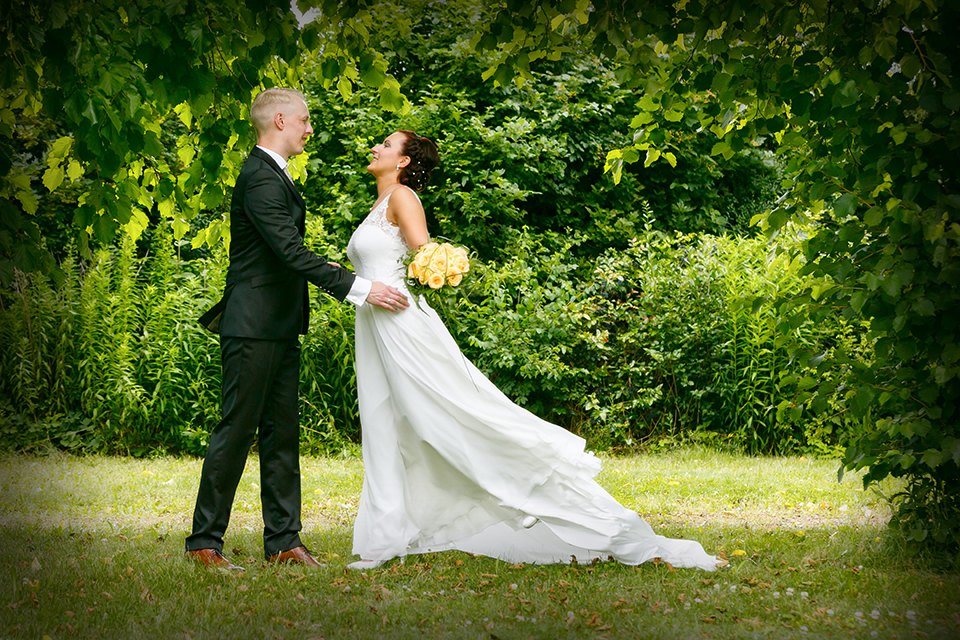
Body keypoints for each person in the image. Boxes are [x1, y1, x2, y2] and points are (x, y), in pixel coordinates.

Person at [344, 130, 723, 571]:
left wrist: (434, 266)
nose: (375, 148)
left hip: (400, 323)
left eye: (386, 145)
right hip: (371, 325)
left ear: (404, 162)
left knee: (448, 418)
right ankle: (385, 539)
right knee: (383, 422)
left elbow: (423, 251)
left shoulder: (403, 197)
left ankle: (539, 489)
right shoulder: (377, 202)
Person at [184, 88, 409, 571]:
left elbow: (281, 253)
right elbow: (289, 252)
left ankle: (284, 542)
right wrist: (359, 287)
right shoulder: (260, 178)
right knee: (236, 430)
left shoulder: (273, 175)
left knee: (282, 435)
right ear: (281, 121)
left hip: (279, 326)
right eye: (306, 121)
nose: (310, 129)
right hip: (254, 326)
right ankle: (204, 543)